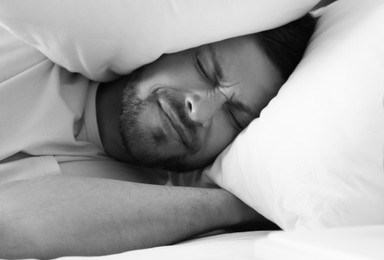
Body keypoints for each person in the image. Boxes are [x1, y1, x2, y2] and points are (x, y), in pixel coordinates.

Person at [0, 14, 316, 259]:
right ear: (169, 46)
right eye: (205, 70)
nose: (199, 112)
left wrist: (241, 205)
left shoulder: (155, 213)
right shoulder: (30, 44)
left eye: (234, 116)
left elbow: (10, 224)